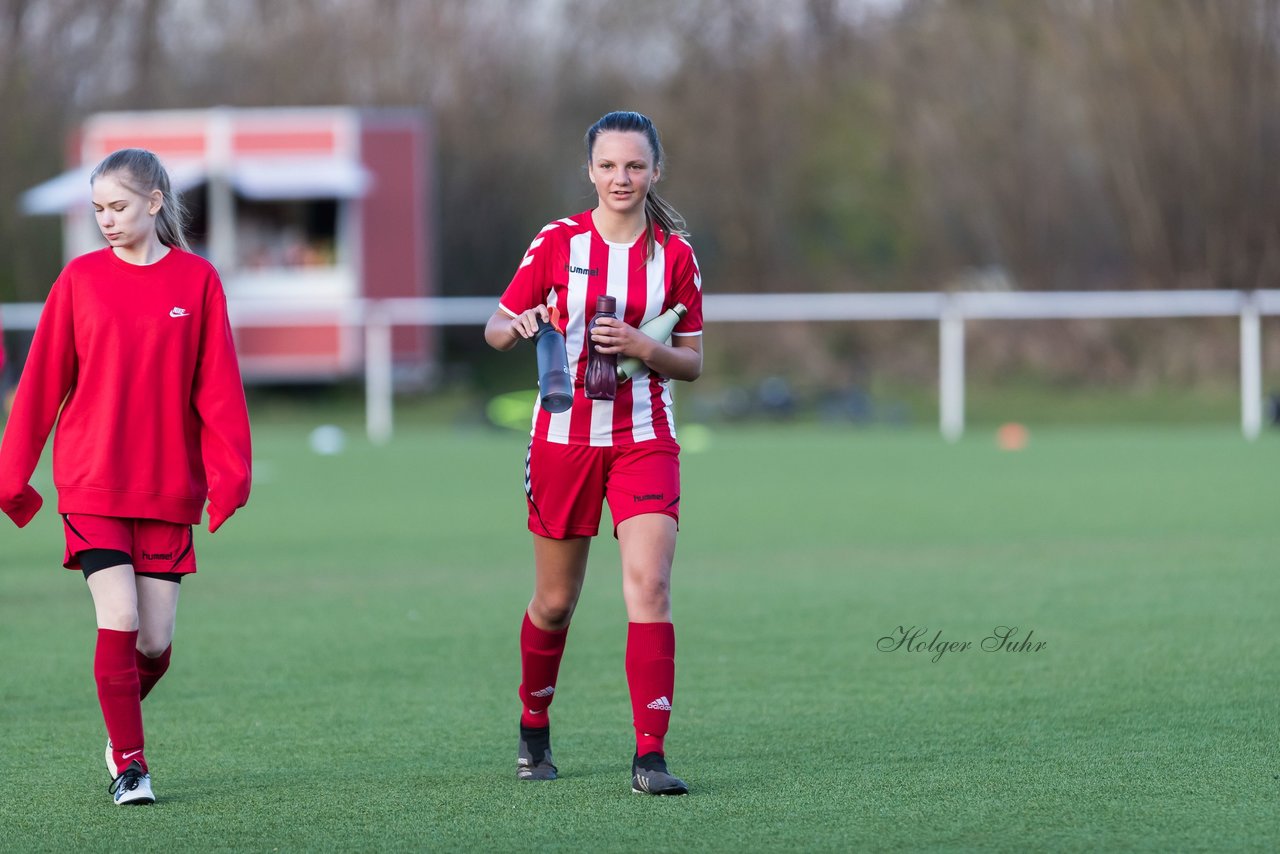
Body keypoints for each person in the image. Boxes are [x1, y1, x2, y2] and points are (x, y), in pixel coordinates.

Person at [0, 148, 252, 806]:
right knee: (118, 617)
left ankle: (118, 727)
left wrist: (232, 475)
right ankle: (131, 764)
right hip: (92, 481)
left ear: (154, 201)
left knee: (156, 642)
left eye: (117, 207)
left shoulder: (198, 282)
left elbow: (218, 389)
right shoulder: (79, 280)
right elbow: (38, 387)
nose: (105, 221)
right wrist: (12, 476)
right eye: (97, 210)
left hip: (167, 487)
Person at [484, 110, 704, 796]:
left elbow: (692, 363)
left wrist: (645, 348)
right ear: (590, 171)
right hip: (563, 443)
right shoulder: (557, 242)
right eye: (608, 165)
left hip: (643, 441)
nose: (621, 177)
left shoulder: (675, 256)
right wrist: (518, 325)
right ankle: (533, 725)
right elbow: (494, 328)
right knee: (555, 602)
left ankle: (650, 756)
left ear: (655, 172)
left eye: (634, 165)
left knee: (650, 585)